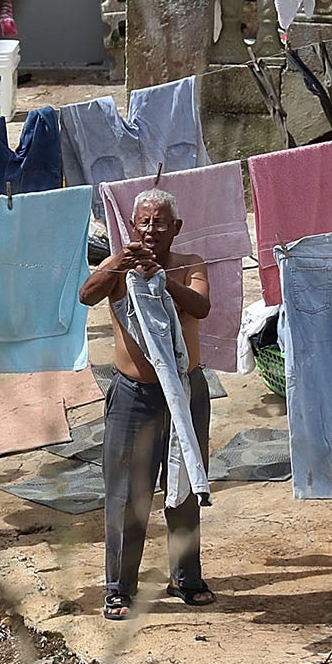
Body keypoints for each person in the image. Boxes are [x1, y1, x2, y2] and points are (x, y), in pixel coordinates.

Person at [79, 187, 216, 620]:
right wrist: (118, 264)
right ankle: (119, 587)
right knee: (126, 494)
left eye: (160, 222)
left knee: (184, 488)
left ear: (175, 228)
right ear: (132, 226)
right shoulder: (117, 265)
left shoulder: (190, 264)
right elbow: (87, 294)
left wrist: (162, 278)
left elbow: (202, 306)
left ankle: (186, 578)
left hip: (186, 391)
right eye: (144, 222)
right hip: (133, 397)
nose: (151, 230)